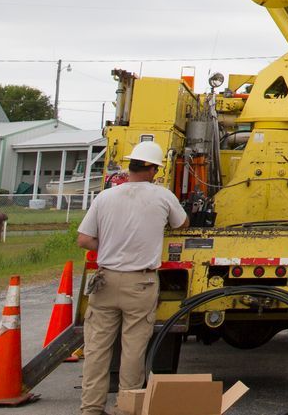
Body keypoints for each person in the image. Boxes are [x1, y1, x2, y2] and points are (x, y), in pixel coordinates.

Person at [76, 139, 186, 415]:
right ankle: (127, 408)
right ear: (152, 170)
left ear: (130, 166)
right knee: (133, 349)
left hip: (105, 281)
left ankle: (91, 408)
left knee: (97, 349)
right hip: (141, 283)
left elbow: (84, 239)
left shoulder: (105, 197)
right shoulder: (162, 196)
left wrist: (111, 245)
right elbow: (182, 223)